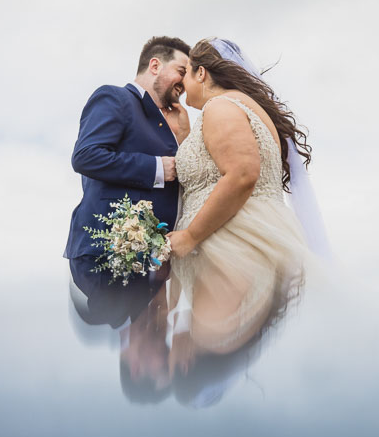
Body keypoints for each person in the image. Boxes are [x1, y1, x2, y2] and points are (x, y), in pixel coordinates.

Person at [162, 38, 316, 366]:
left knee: (211, 355)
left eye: (186, 73)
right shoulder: (238, 107)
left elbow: (242, 174)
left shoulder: (221, 107)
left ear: (202, 73)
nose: (182, 83)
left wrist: (189, 236)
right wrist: (185, 136)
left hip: (233, 246)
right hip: (249, 242)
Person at [64, 36, 191, 282]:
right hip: (109, 249)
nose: (185, 83)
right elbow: (85, 156)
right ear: (155, 65)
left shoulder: (166, 122)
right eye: (181, 71)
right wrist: (156, 168)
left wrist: (182, 136)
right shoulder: (115, 97)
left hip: (148, 261)